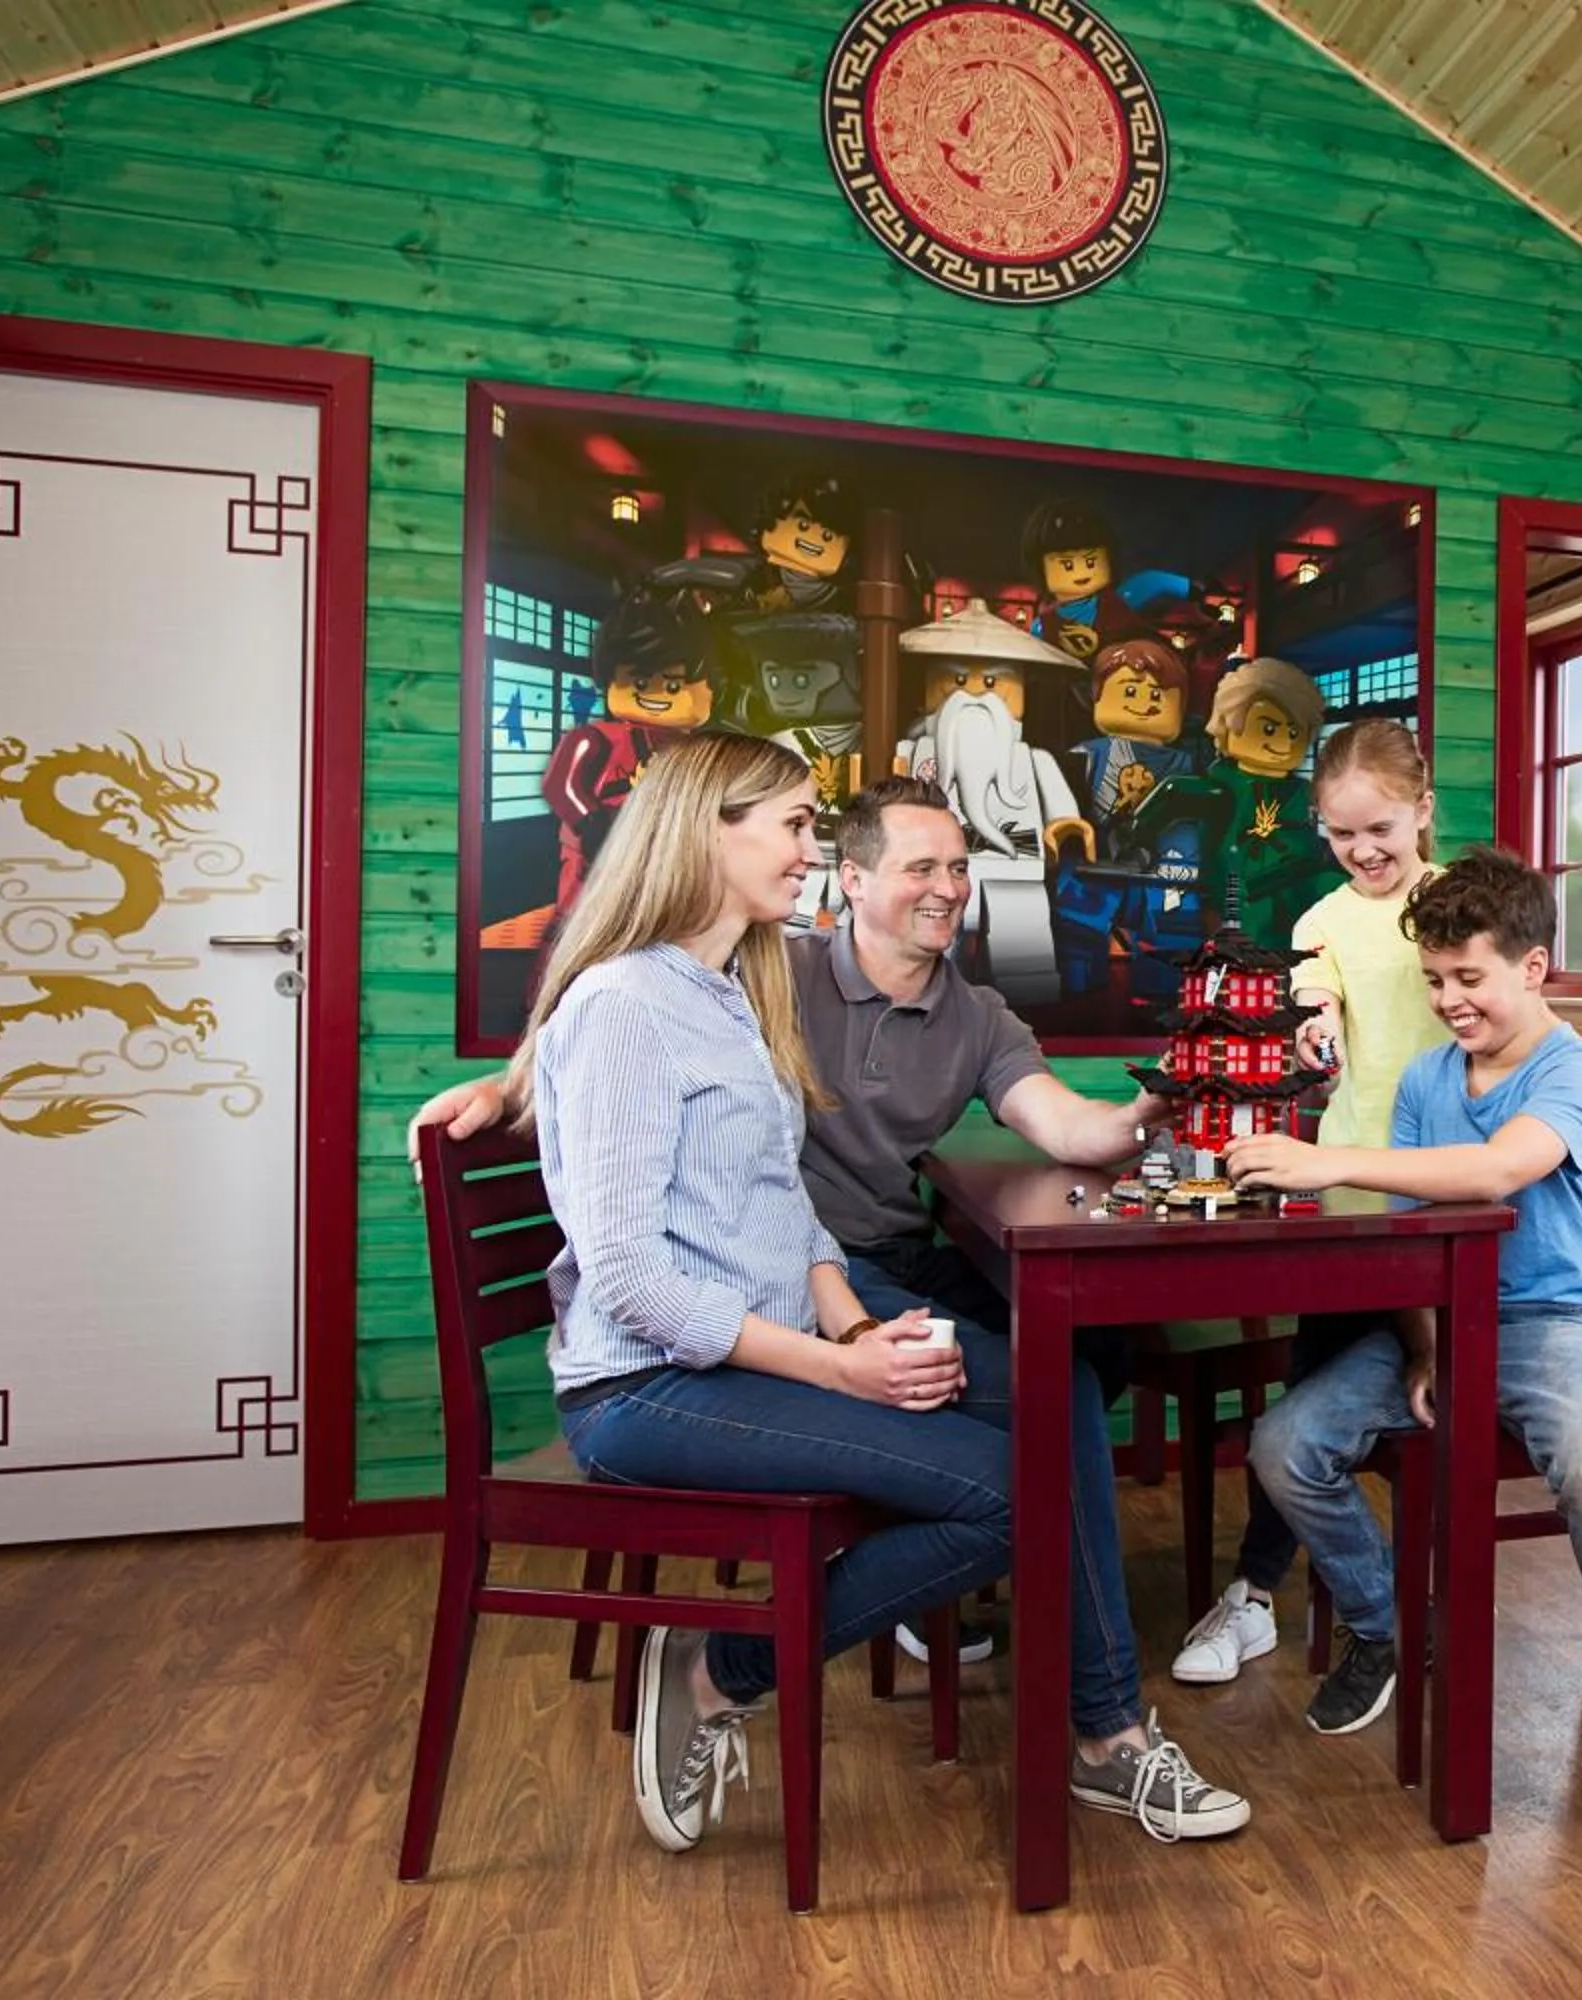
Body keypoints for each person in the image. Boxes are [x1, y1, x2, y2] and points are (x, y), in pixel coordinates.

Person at [418, 771, 1249, 1845]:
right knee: (1021, 1467)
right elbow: (627, 1247)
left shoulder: (741, 990)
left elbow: (784, 1201)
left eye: (959, 868)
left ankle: (1090, 1724)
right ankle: (761, 1668)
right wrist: (511, 1090)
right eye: (800, 829)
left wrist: (1154, 1100)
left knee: (1059, 1396)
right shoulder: (715, 984)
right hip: (656, 1373)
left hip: (789, 1308)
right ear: (845, 878)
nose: (947, 886)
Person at [1170, 724, 1582, 1689]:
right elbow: (1319, 1005)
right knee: (1308, 1405)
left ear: (1421, 811)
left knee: (1562, 1443)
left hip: (1490, 1244)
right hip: (1374, 1182)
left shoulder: (1472, 910)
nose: (1362, 850)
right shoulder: (1332, 934)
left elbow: (1544, 1041)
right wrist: (1318, 1038)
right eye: (1340, 835)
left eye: (1378, 829)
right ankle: (1313, 1604)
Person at [1223, 846, 1582, 1829]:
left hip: (1558, 1321)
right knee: (1283, 1443)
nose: (1448, 1000)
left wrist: (1327, 1160)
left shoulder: (1572, 1070)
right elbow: (1415, 1238)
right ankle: (1388, 1625)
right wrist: (1429, 1345)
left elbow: (1493, 1173)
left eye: (1468, 977)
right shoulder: (1427, 1078)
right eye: (1435, 979)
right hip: (1446, 1321)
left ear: (1533, 966)